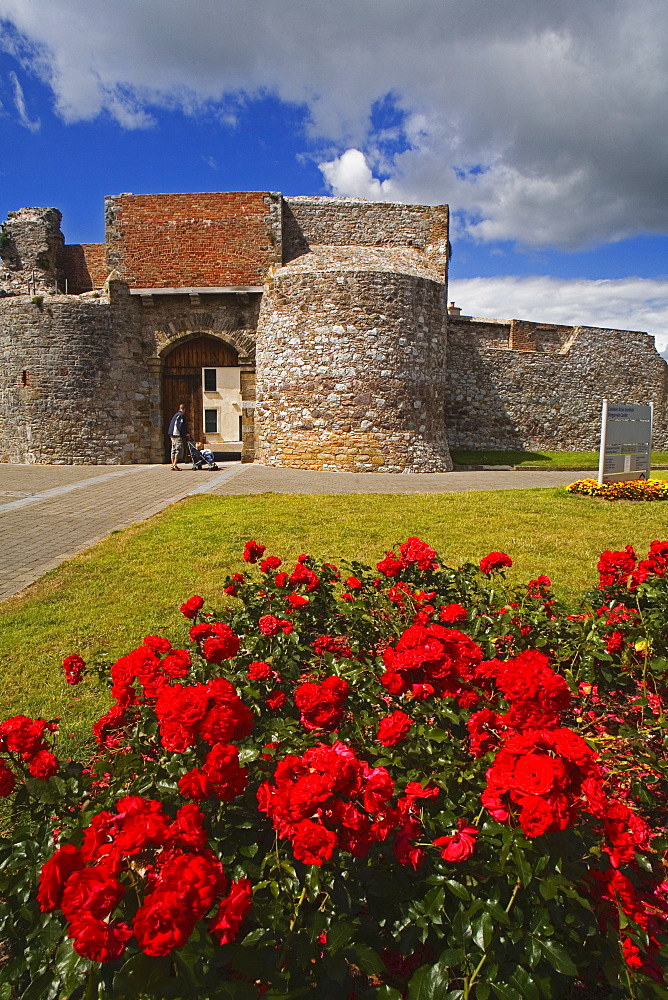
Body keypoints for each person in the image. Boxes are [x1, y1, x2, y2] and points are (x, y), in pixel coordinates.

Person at [168, 403, 189, 470]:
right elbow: (180, 425)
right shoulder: (181, 415)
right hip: (176, 434)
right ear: (184, 409)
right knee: (179, 449)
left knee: (173, 448)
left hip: (172, 434)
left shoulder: (176, 415)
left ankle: (173, 464)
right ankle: (174, 464)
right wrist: (185, 433)